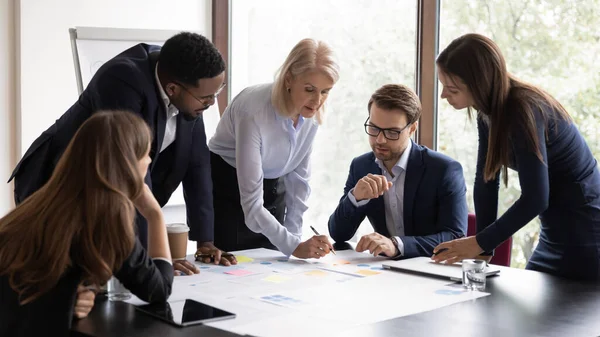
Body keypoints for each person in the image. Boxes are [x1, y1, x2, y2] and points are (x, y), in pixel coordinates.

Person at [8, 32, 236, 273]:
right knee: (62, 278)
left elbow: (197, 164)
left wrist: (205, 243)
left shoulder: (187, 88)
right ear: (172, 89)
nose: (212, 103)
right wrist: (151, 257)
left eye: (217, 92)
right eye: (206, 97)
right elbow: (130, 169)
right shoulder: (122, 81)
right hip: (58, 188)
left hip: (105, 194)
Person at [432, 33, 600, 281]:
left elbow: (535, 199)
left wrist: (480, 241)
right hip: (554, 232)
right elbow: (487, 181)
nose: (444, 95)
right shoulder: (487, 113)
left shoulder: (524, 111)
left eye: (452, 88)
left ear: (479, 84)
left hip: (587, 235)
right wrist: (483, 249)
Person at [0, 111, 174, 336]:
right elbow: (158, 290)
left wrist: (71, 295)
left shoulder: (41, 202)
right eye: (145, 153)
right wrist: (154, 214)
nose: (149, 161)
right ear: (128, 163)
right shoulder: (106, 216)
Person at [208, 39, 339, 258]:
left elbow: (299, 183)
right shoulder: (253, 112)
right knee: (236, 272)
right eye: (309, 89)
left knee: (275, 266)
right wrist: (294, 246)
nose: (318, 100)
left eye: (325, 91)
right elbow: (251, 207)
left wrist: (295, 239)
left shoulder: (312, 112)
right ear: (289, 78)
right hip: (227, 189)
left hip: (272, 187)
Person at [328, 84, 467, 258]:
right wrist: (355, 197)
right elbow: (338, 234)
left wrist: (397, 245)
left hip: (431, 269)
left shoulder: (444, 170)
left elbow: (455, 236)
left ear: (412, 129)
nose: (380, 140)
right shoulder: (361, 166)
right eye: (374, 128)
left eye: (392, 132)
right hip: (384, 272)